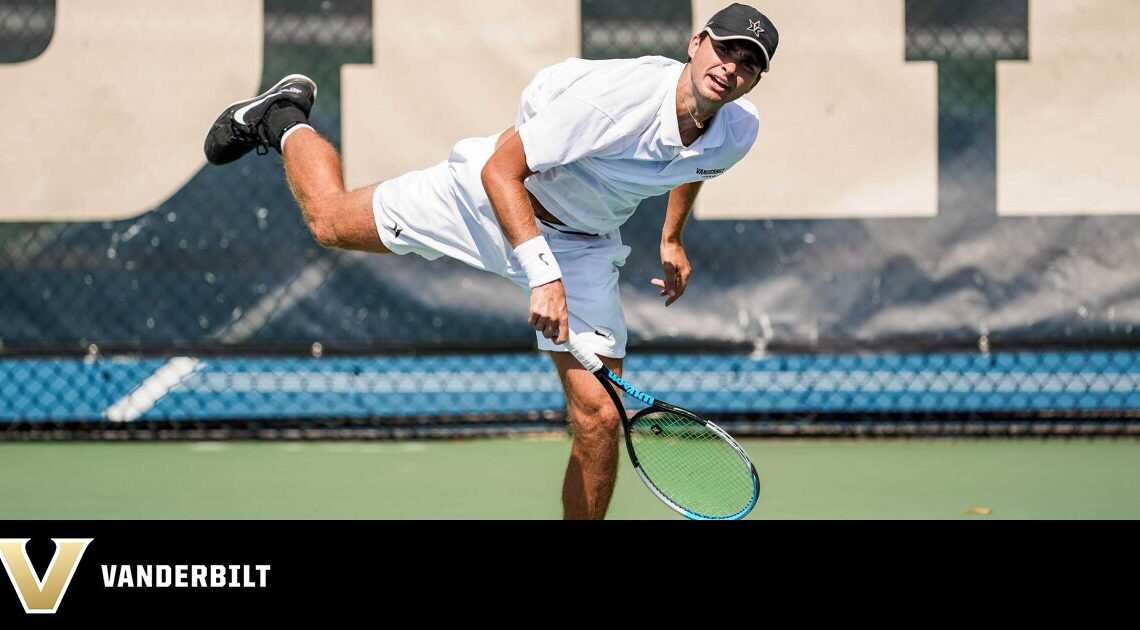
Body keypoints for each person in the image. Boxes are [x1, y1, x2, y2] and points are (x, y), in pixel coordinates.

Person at [203, 3, 778, 519]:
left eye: (748, 63)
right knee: (328, 221)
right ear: (696, 43)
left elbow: (693, 167)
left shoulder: (737, 128)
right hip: (486, 198)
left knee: (600, 418)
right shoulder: (616, 103)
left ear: (754, 79)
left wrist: (671, 238)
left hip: (583, 241)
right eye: (725, 49)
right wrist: (542, 273)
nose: (732, 67)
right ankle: (282, 117)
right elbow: (501, 170)